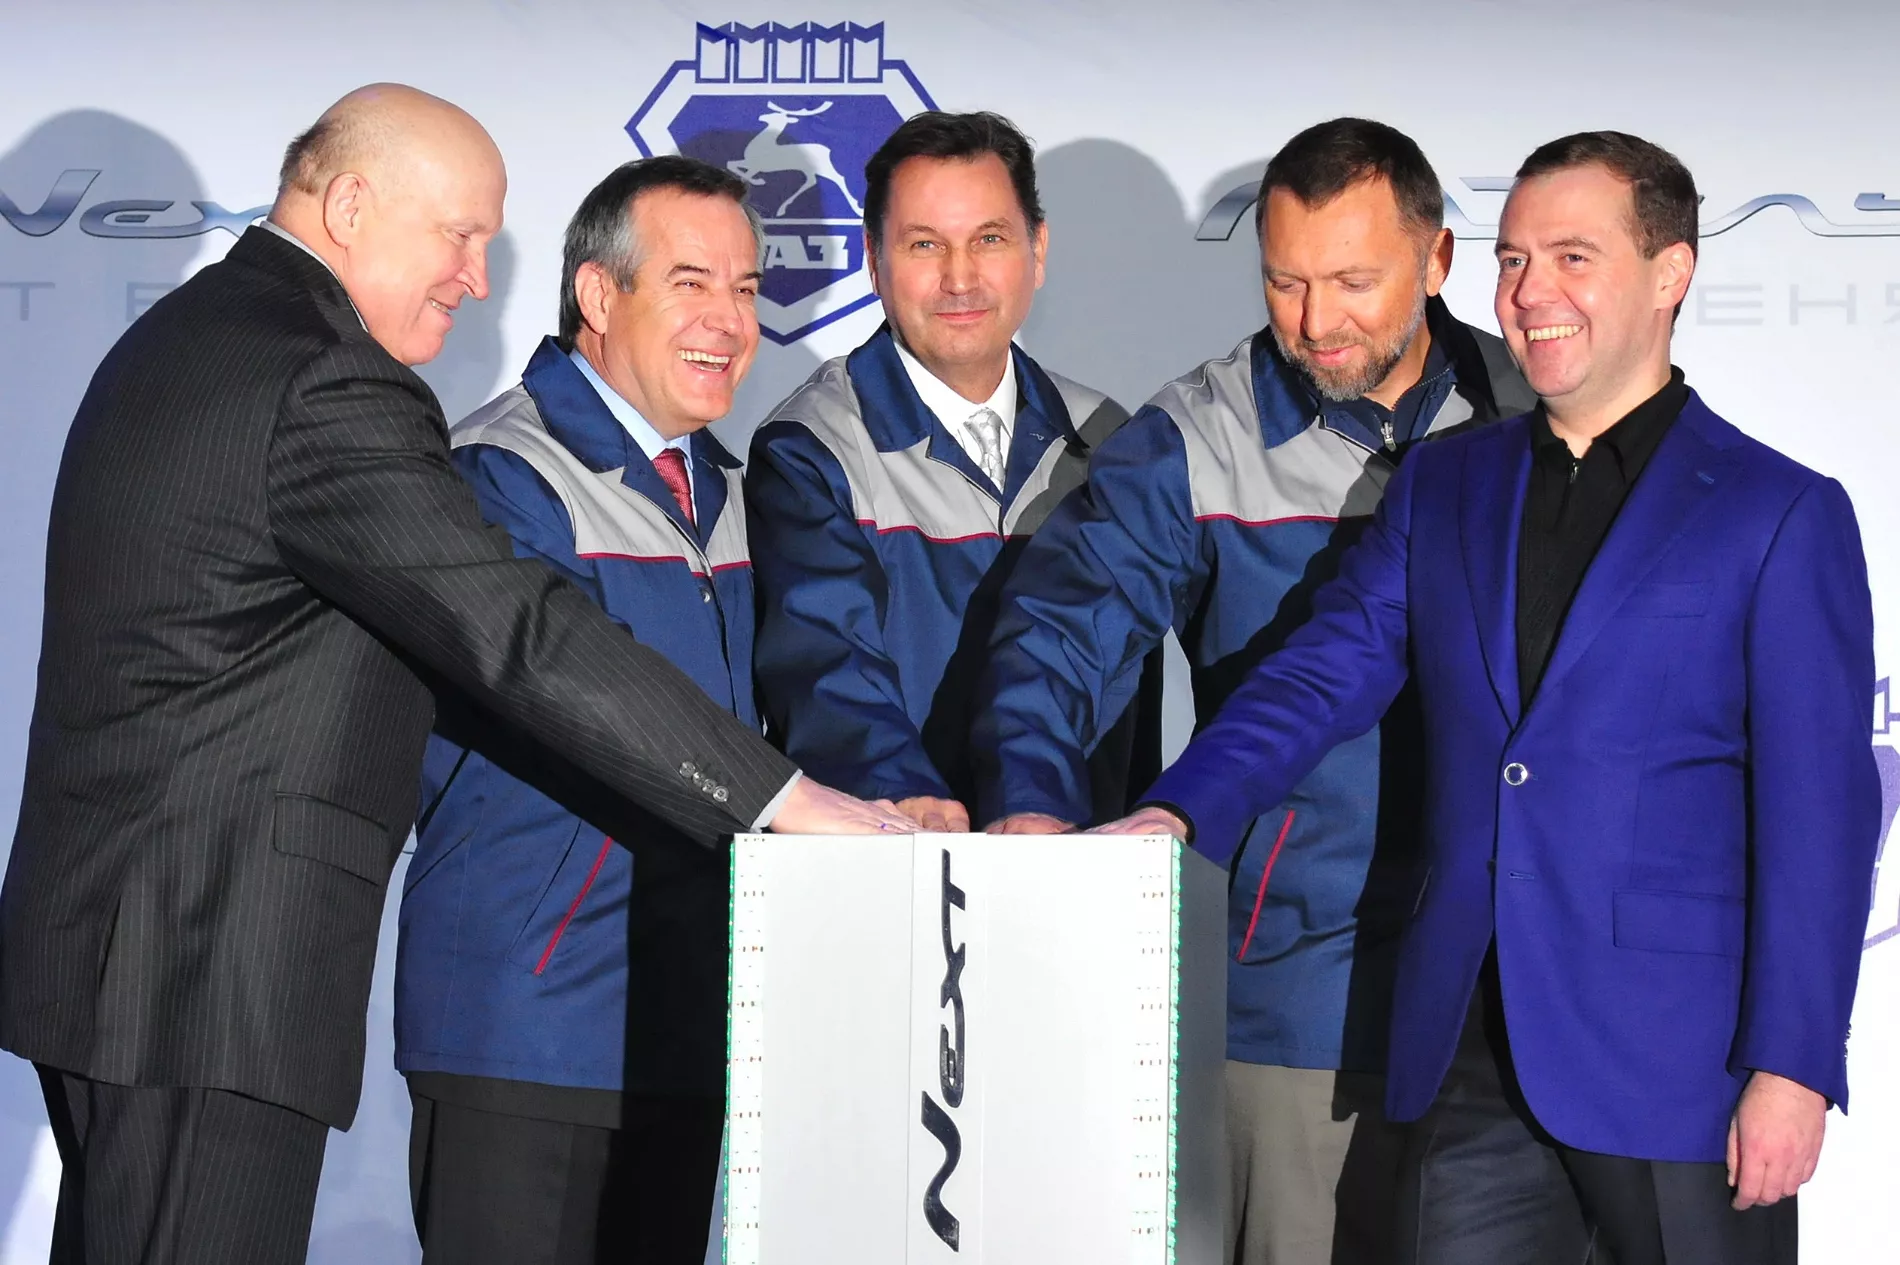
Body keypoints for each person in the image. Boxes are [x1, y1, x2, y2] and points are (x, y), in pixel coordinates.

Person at [0, 84, 911, 1265]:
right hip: (208, 964)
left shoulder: (192, 335)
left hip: (131, 950)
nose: (478, 278)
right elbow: (516, 630)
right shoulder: (323, 375)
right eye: (460, 234)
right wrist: (781, 798)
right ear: (349, 205)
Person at [1097, 132, 1879, 1265]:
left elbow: (1819, 818)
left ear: (1670, 273)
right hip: (1466, 1053)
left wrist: (1793, 1064)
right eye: (1513, 260)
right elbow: (1322, 671)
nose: (1529, 292)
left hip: (1685, 1072)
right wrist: (1181, 810)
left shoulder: (1779, 511)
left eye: (1572, 258)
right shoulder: (1447, 481)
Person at [974, 118, 1533, 1265]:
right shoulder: (1195, 436)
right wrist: (1030, 800)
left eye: (1352, 282)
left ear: (1436, 261)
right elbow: (1057, 638)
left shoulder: (1542, 412)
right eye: (1284, 281)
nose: (1316, 321)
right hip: (1296, 998)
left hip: (1517, 1000)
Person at [396, 156, 770, 1265]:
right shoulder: (500, 471)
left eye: (746, 289)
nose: (728, 321)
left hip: (683, 1018)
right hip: (528, 1021)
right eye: (692, 282)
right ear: (599, 295)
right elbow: (575, 693)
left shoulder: (731, 488)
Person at [746, 110, 1156, 833]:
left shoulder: (1110, 440)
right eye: (925, 244)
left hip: (1077, 862)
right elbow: (823, 664)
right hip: (890, 862)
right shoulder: (810, 447)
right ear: (873, 260)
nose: (959, 278)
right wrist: (904, 797)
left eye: (989, 239)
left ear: (1037, 250)